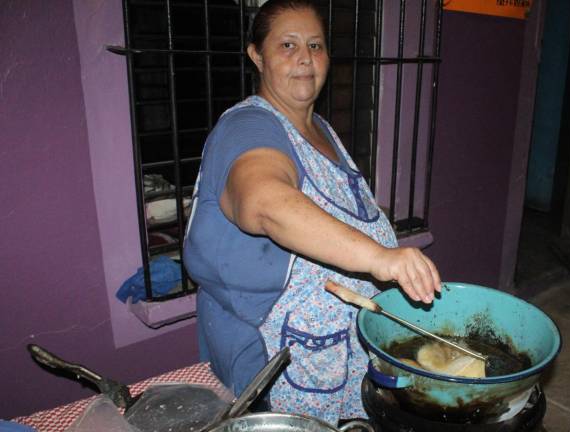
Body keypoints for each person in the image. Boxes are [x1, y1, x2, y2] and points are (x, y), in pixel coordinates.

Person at [183, 0, 442, 424]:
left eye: (316, 45)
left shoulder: (322, 129)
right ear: (256, 55)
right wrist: (380, 257)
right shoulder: (248, 126)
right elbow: (265, 204)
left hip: (341, 350)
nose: (305, 57)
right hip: (282, 360)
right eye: (287, 44)